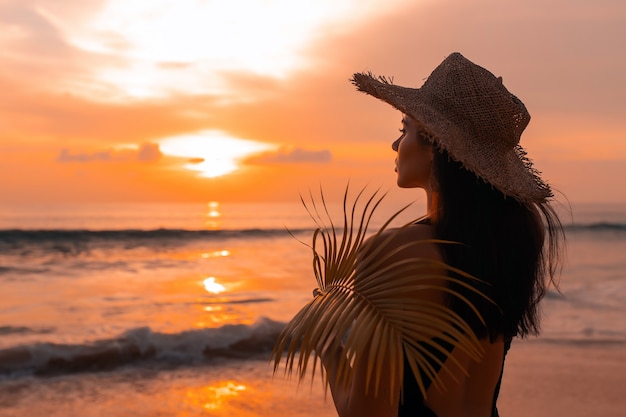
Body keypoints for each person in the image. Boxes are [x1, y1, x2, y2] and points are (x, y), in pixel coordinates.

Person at [317, 52, 565, 417]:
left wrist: (330, 349)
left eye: (404, 131)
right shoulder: (521, 235)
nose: (394, 145)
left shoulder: (393, 254)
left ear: (434, 147)